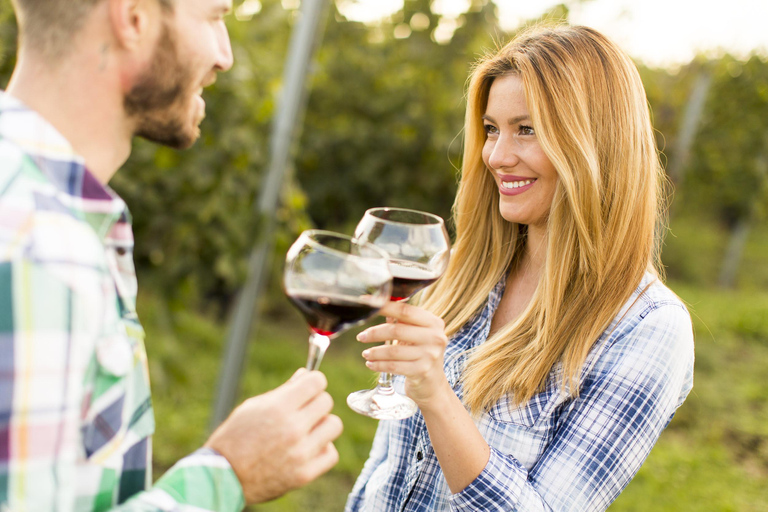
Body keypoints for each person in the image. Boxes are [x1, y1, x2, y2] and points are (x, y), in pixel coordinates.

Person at [0, 0, 342, 509]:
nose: (224, 56)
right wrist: (228, 475)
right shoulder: (40, 247)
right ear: (133, 18)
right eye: (214, 17)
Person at [346, 24, 695, 512]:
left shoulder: (649, 328)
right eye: (492, 128)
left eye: (526, 130)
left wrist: (436, 396)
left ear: (595, 144)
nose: (496, 155)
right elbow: (386, 468)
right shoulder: (463, 272)